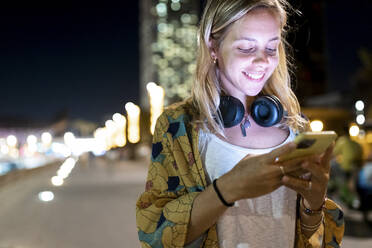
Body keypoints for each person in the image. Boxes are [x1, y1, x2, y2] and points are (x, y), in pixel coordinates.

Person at [136, 0, 345, 247]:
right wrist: (228, 188)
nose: (262, 62)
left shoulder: (296, 127)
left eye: (271, 48)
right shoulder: (177, 126)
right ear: (213, 46)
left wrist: (314, 203)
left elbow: (315, 238)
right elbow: (155, 234)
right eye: (246, 48)